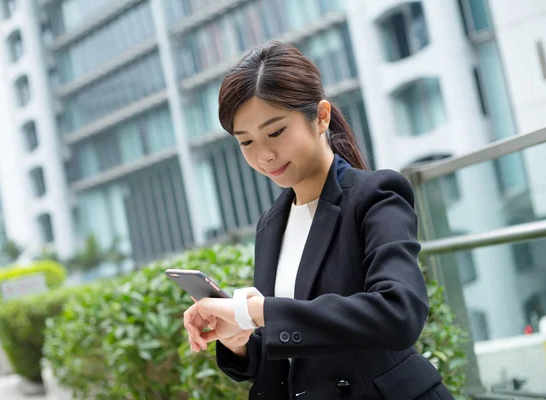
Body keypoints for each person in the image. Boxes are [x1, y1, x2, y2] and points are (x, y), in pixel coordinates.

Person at [182, 41, 454, 400]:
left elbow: (398, 312)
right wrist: (240, 339)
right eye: (246, 142)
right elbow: (288, 357)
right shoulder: (271, 223)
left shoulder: (375, 194)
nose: (264, 155)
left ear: (321, 116)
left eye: (275, 132)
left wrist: (257, 311)